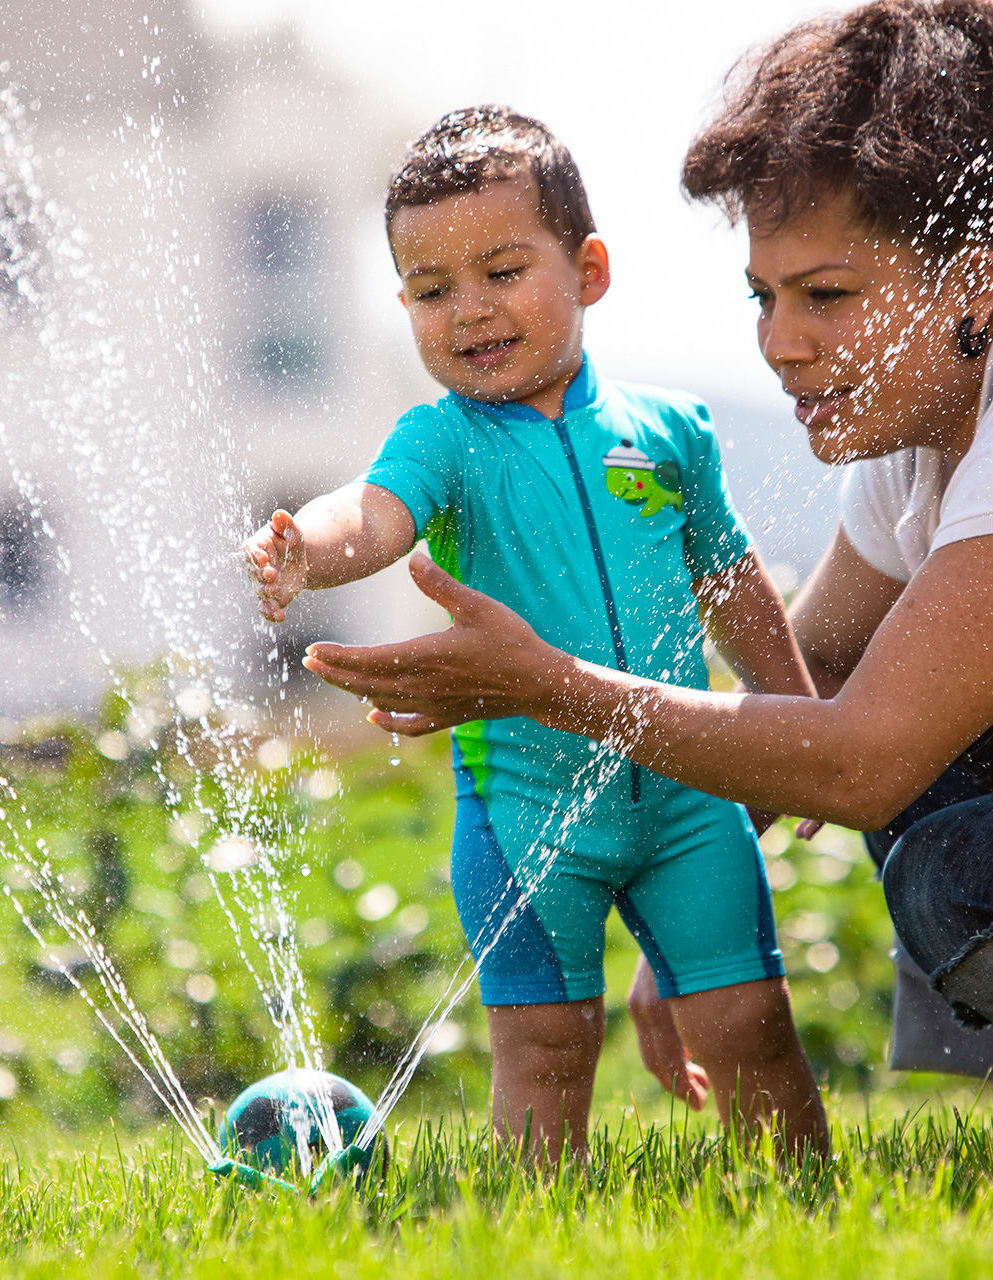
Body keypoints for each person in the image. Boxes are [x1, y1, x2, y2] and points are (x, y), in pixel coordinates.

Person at [302, 0, 993, 1138]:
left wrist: (545, 685)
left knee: (954, 858)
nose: (781, 342)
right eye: (764, 295)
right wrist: (695, 902)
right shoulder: (936, 425)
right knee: (922, 750)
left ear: (971, 285)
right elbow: (816, 675)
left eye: (827, 295)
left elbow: (855, 763)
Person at [241, 106, 830, 1159]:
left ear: (589, 269)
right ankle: (534, 1224)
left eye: (502, 272)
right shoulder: (443, 439)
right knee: (548, 1047)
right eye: (430, 292)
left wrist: (793, 724)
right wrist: (307, 547)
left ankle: (805, 1203)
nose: (468, 311)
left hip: (690, 800)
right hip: (525, 814)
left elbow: (734, 582)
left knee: (752, 1026)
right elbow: (373, 514)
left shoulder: (671, 433)